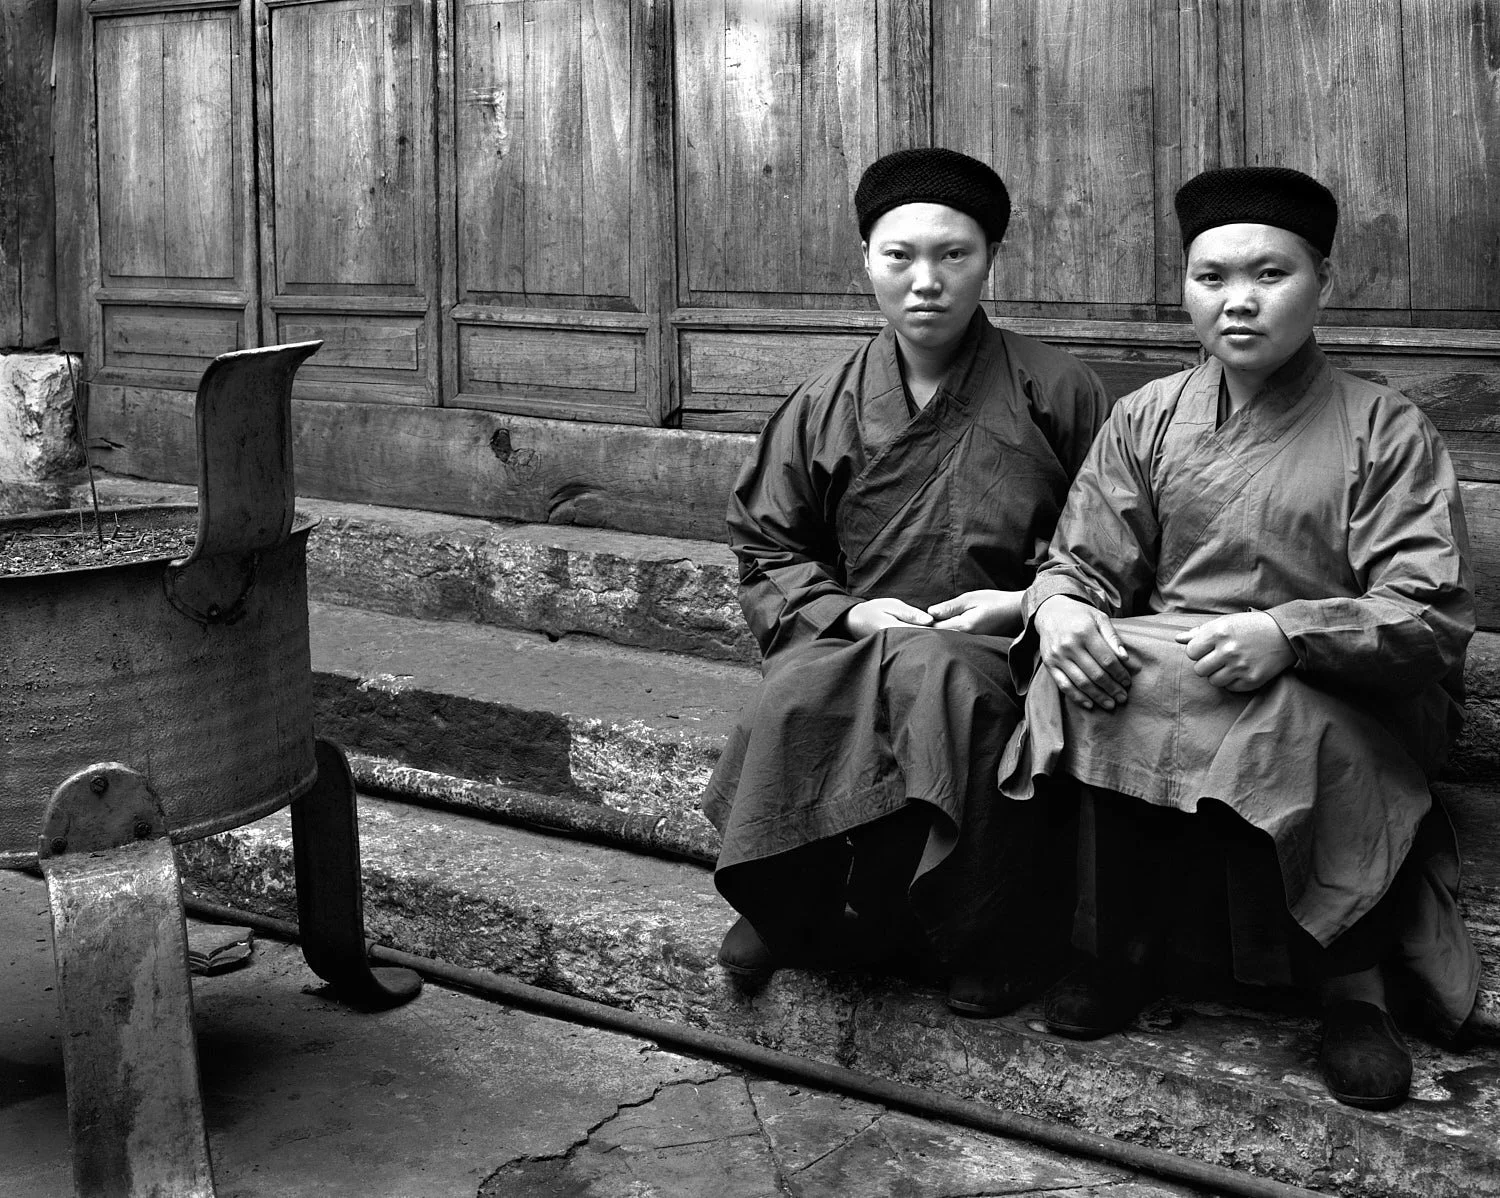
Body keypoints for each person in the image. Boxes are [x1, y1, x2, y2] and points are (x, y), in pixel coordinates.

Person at [1000, 165, 1479, 1110]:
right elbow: (1085, 559)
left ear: (1323, 285)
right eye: (1212, 278)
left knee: (1282, 723)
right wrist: (1057, 607)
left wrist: (1288, 635)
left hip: (1342, 682)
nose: (1239, 301)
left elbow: (1426, 611)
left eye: (1270, 274)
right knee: (1085, 677)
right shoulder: (1148, 415)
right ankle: (1120, 949)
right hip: (1181, 658)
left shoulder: (1386, 428)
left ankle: (1352, 989)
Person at [702, 147, 1112, 1017]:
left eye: (953, 255)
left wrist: (1027, 602)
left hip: (1008, 647)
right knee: (798, 691)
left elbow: (1117, 542)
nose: (926, 281)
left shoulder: (1060, 391)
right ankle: (796, 901)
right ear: (866, 261)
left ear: (989, 260)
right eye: (900, 257)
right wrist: (847, 616)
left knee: (942, 680)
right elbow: (768, 545)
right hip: (862, 638)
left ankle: (983, 932)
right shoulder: (823, 401)